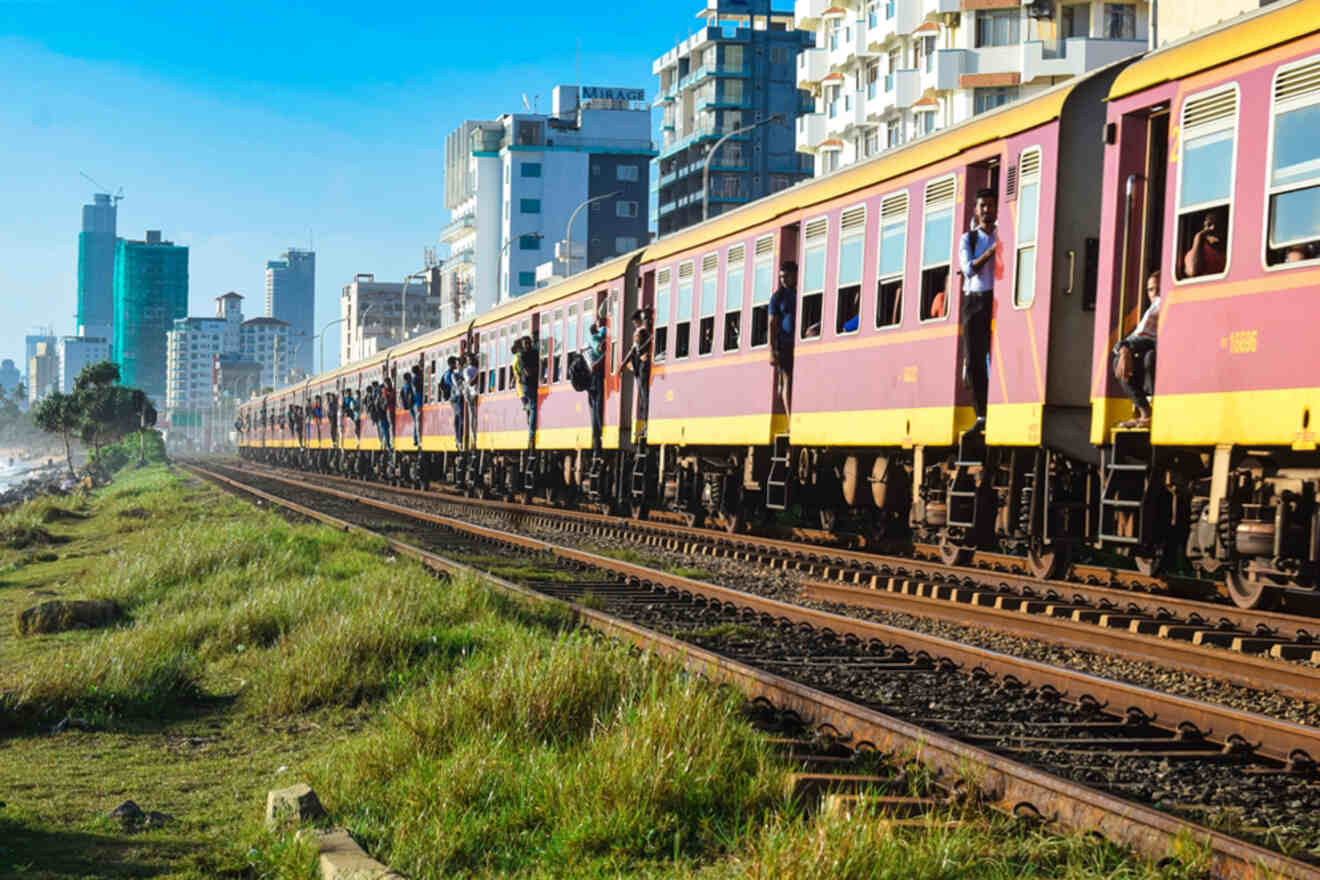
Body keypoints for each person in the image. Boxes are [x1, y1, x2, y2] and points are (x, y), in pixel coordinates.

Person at [958, 188, 999, 433]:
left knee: (994, 357)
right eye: (982, 206)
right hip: (974, 301)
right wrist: (990, 253)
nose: (987, 210)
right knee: (974, 358)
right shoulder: (969, 239)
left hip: (996, 299)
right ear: (976, 210)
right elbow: (968, 269)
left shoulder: (1003, 235)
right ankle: (981, 414)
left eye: (991, 206)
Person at [1113, 271, 1161, 429]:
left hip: (1160, 351)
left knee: (1150, 358)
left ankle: (1155, 413)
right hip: (1145, 346)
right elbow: (1138, 337)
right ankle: (1145, 412)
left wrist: (1126, 349)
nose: (1156, 294)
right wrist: (1124, 349)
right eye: (1151, 290)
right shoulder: (1152, 309)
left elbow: (1150, 339)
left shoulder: (1161, 305)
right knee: (1118, 362)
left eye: (1160, 288)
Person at [768, 261, 798, 418]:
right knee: (788, 380)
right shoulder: (777, 297)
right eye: (781, 277)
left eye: (786, 276)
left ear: (794, 275)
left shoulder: (801, 292)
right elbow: (772, 324)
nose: (783, 280)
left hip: (801, 341)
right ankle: (790, 419)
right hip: (785, 343)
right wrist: (772, 350)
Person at [623, 308, 653, 439]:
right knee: (643, 399)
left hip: (642, 367)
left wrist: (623, 364)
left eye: (635, 321)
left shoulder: (641, 331)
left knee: (644, 398)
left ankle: (646, 426)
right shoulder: (640, 332)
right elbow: (633, 350)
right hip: (638, 367)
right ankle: (644, 426)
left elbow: (635, 349)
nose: (634, 324)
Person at [586, 317, 608, 454]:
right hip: (595, 377)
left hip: (594, 377)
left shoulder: (595, 337)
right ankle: (598, 436)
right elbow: (600, 348)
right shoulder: (595, 338)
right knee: (597, 406)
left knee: (595, 407)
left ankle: (597, 438)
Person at [1183, 211, 1226, 277]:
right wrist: (1198, 236)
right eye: (1209, 225)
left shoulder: (1226, 252)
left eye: (1217, 224)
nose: (1213, 228)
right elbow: (1192, 270)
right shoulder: (1197, 251)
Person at [514, 337, 538, 447]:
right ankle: (531, 432)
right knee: (533, 407)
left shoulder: (522, 355)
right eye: (526, 343)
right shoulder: (527, 354)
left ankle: (531, 429)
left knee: (531, 407)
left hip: (525, 385)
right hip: (528, 384)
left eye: (528, 343)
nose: (527, 345)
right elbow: (526, 371)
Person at [463, 353, 480, 450]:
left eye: (472, 358)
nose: (472, 360)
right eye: (470, 359)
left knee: (475, 417)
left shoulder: (475, 369)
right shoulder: (467, 370)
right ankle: (473, 438)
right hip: (472, 395)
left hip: (476, 394)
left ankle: (475, 437)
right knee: (473, 416)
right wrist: (478, 374)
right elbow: (470, 382)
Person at [401, 372, 420, 446]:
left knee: (415, 421)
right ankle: (416, 439)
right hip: (414, 405)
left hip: (410, 406)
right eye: (409, 377)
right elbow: (414, 395)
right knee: (416, 422)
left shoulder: (404, 387)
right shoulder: (410, 386)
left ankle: (415, 439)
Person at [380, 376, 396, 452]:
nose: (388, 384)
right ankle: (391, 441)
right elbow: (386, 400)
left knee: (391, 425)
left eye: (389, 383)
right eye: (387, 383)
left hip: (393, 409)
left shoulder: (392, 389)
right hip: (389, 410)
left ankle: (387, 442)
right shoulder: (384, 391)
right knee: (390, 425)